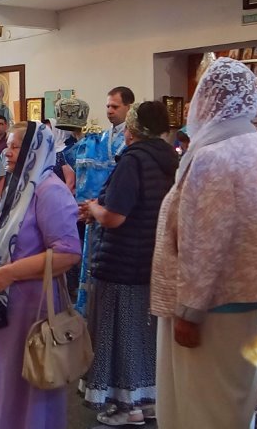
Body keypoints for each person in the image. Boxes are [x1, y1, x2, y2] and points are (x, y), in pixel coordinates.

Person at [152, 58, 257, 429]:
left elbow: (204, 242)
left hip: (210, 311)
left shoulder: (212, 157)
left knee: (199, 407)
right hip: (249, 302)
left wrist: (190, 313)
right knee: (233, 404)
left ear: (212, 99)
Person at [78, 102, 178, 426]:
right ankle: (147, 402)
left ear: (133, 129)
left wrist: (93, 209)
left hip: (122, 262)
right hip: (152, 260)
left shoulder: (132, 161)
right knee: (143, 336)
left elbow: (114, 217)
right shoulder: (170, 160)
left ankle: (126, 407)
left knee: (119, 336)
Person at [0, 121, 81, 429]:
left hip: (31, 307)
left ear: (35, 149)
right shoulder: (20, 187)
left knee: (28, 380)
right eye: (7, 146)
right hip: (6, 305)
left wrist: (10, 273)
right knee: (4, 378)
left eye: (14, 146)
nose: (7, 153)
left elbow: (68, 253)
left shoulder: (50, 191)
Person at [74, 86, 134, 315]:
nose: (109, 111)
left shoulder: (132, 139)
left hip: (119, 212)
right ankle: (89, 312)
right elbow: (82, 166)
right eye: (108, 106)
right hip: (96, 210)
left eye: (115, 106)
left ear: (128, 108)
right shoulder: (101, 138)